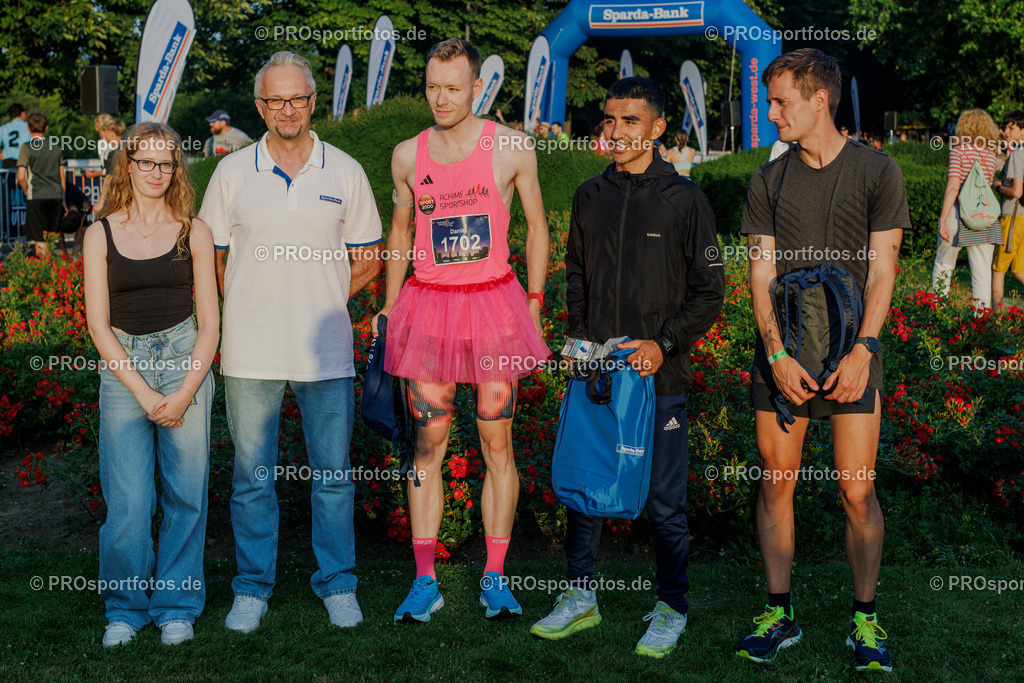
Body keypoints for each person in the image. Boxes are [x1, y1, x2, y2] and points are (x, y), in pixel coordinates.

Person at [530, 77, 724, 658]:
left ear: (659, 128)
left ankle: (671, 606)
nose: (615, 132)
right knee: (585, 491)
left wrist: (663, 343)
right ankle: (580, 596)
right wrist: (576, 337)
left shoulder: (686, 200)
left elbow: (709, 291)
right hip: (596, 377)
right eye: (609, 120)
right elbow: (576, 273)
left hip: (657, 380)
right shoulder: (590, 194)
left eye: (630, 121)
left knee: (664, 502)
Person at [735, 49, 909, 673]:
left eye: (780, 100)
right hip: (782, 357)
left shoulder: (878, 171)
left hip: (853, 355)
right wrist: (776, 354)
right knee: (776, 483)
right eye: (769, 99)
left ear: (819, 101)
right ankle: (779, 613)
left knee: (857, 492)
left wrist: (865, 350)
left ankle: (865, 618)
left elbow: (885, 272)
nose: (770, 111)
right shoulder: (767, 181)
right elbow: (759, 279)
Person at [199, 51, 382, 632]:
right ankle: (252, 588)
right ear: (260, 107)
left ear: (312, 102)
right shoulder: (231, 173)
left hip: (325, 351)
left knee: (332, 477)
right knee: (252, 478)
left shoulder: (345, 170)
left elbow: (371, 257)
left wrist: (323, 298)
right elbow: (213, 260)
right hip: (250, 350)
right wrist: (252, 302)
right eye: (275, 100)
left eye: (297, 98)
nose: (286, 109)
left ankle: (338, 585)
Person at [373, 37, 549, 623]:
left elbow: (538, 227)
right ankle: (425, 581)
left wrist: (534, 301)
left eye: (453, 87)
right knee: (427, 444)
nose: (441, 98)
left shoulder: (512, 148)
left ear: (478, 87)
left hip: (495, 310)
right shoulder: (406, 155)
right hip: (427, 310)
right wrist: (392, 307)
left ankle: (495, 576)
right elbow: (398, 234)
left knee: (497, 443)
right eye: (432, 86)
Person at [82, 122, 218, 647]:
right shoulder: (101, 232)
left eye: (166, 163)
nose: (156, 172)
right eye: (146, 162)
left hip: (185, 363)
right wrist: (143, 393)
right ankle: (126, 608)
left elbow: (210, 321)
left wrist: (184, 392)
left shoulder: (194, 231)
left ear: (175, 169)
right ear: (128, 167)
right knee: (130, 501)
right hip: (125, 370)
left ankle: (177, 605)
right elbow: (98, 323)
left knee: (186, 495)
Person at [932, 109, 1003, 314]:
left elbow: (954, 187)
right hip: (984, 217)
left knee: (944, 266)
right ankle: (980, 324)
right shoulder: (991, 154)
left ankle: (938, 314)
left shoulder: (958, 151)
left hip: (957, 215)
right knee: (982, 274)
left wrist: (943, 218)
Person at [17, 113, 64, 257]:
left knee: (39, 238)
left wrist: (26, 190)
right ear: (47, 127)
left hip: (36, 194)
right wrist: (64, 199)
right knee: (51, 237)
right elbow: (62, 175)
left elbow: (20, 176)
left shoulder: (27, 147)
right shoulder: (55, 147)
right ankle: (53, 272)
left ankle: (45, 271)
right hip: (56, 195)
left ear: (28, 128)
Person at [991, 110, 1024, 308]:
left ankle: (995, 319)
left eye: (1011, 128)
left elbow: (1017, 191)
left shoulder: (1018, 155)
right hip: (1023, 217)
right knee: (1018, 269)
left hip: (1012, 215)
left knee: (998, 268)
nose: (1006, 132)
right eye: (1005, 127)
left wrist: (997, 186)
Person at [0, 103, 31, 168]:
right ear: (22, 113)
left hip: (8, 161)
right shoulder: (28, 127)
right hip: (24, 162)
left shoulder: (4, 127)